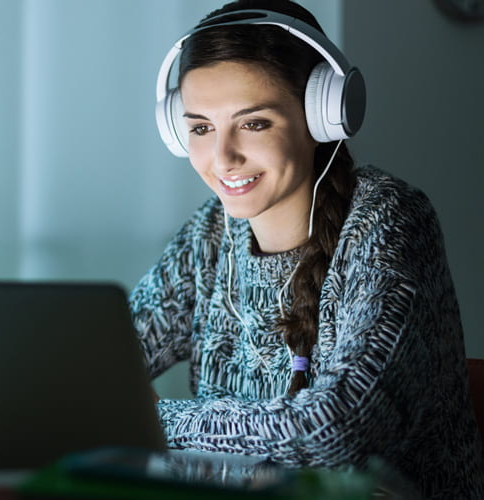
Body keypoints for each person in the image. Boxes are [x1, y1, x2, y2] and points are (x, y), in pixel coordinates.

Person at [129, 0, 484, 497]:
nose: (222, 158)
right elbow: (101, 360)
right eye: (201, 128)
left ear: (322, 116)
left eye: (254, 123)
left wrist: (145, 417)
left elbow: (337, 429)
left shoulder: (390, 219)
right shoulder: (210, 233)